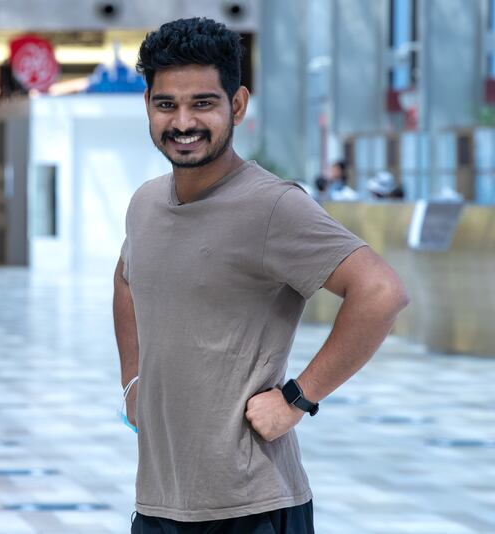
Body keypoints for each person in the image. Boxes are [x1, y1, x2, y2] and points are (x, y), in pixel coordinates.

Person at [113, 18, 409, 534]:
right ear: (149, 107)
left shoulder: (272, 206)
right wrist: (132, 380)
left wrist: (299, 398)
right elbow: (125, 279)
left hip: (251, 507)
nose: (183, 121)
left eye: (203, 103)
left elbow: (380, 291)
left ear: (238, 105)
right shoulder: (144, 205)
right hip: (159, 502)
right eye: (167, 105)